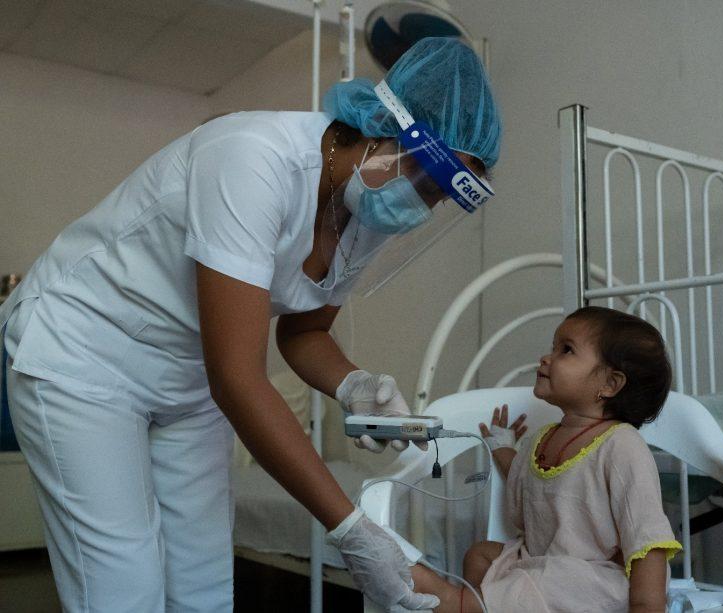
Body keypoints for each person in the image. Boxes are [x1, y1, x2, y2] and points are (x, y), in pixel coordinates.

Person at [0, 37, 501, 612]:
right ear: (387, 127)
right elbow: (238, 378)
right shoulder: (252, 157)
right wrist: (355, 533)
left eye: (441, 198)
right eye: (430, 182)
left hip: (188, 373)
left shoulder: (365, 211)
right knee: (122, 589)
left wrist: (351, 384)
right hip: (85, 353)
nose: (425, 206)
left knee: (204, 588)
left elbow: (305, 332)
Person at [410, 306, 682, 612]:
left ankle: (459, 604)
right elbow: (531, 486)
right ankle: (482, 604)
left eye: (566, 350)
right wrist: (502, 448)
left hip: (595, 579)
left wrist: (647, 604)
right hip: (541, 561)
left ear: (609, 385)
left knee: (547, 580)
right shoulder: (542, 438)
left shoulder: (622, 445)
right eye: (553, 347)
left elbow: (646, 535)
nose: (546, 357)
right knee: (480, 554)